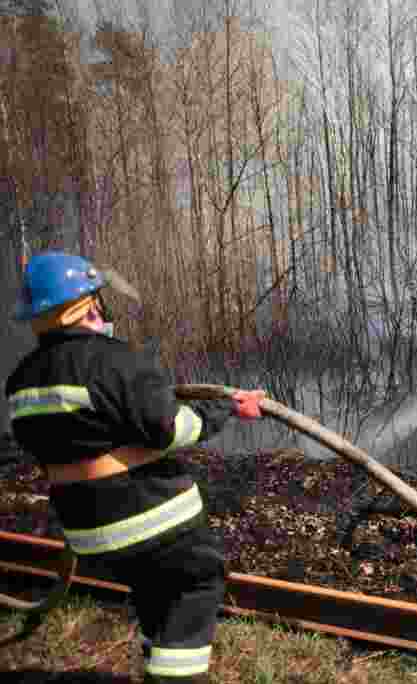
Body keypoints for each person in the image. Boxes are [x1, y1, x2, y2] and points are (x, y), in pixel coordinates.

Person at [5, 251, 265, 683]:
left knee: (153, 587)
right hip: (150, 518)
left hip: (88, 534)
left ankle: (159, 662)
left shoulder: (22, 381)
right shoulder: (113, 360)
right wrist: (227, 410)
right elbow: (174, 428)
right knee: (195, 581)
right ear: (88, 306)